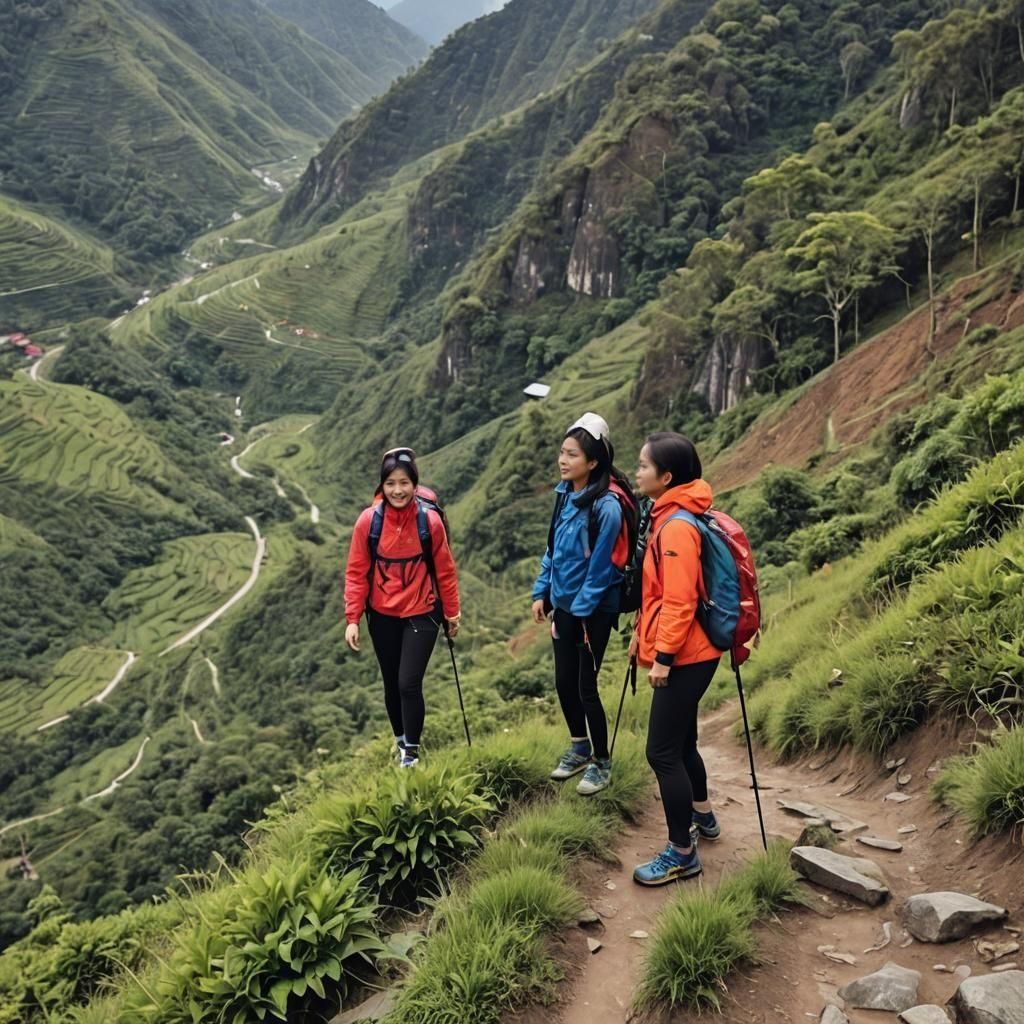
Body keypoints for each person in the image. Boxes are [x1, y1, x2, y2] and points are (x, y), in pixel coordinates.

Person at [630, 432, 723, 885]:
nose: (638, 471)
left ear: (666, 478)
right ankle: (702, 818)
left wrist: (662, 657)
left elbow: (680, 601)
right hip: (691, 650)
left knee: (661, 752)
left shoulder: (677, 528)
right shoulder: (671, 514)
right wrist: (640, 639)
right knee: (683, 744)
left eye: (644, 466)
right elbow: (657, 596)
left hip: (687, 655)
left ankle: (681, 852)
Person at [344, 447, 460, 768]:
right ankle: (400, 740)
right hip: (381, 614)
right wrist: (352, 618)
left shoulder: (430, 522)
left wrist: (452, 612)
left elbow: (445, 570)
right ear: (382, 487)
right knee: (391, 682)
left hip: (422, 609)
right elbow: (356, 572)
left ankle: (411, 752)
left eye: (405, 483)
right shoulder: (368, 522)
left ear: (414, 484)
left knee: (408, 682)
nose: (398, 490)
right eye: (391, 483)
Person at [531, 413, 627, 796]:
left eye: (572, 455)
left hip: (593, 611)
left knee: (586, 686)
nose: (563, 460)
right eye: (562, 453)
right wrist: (543, 592)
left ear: (594, 462)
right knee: (563, 682)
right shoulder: (565, 493)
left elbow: (602, 568)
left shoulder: (607, 508)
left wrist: (579, 613)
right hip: (564, 606)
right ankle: (578, 747)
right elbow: (552, 551)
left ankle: (602, 762)